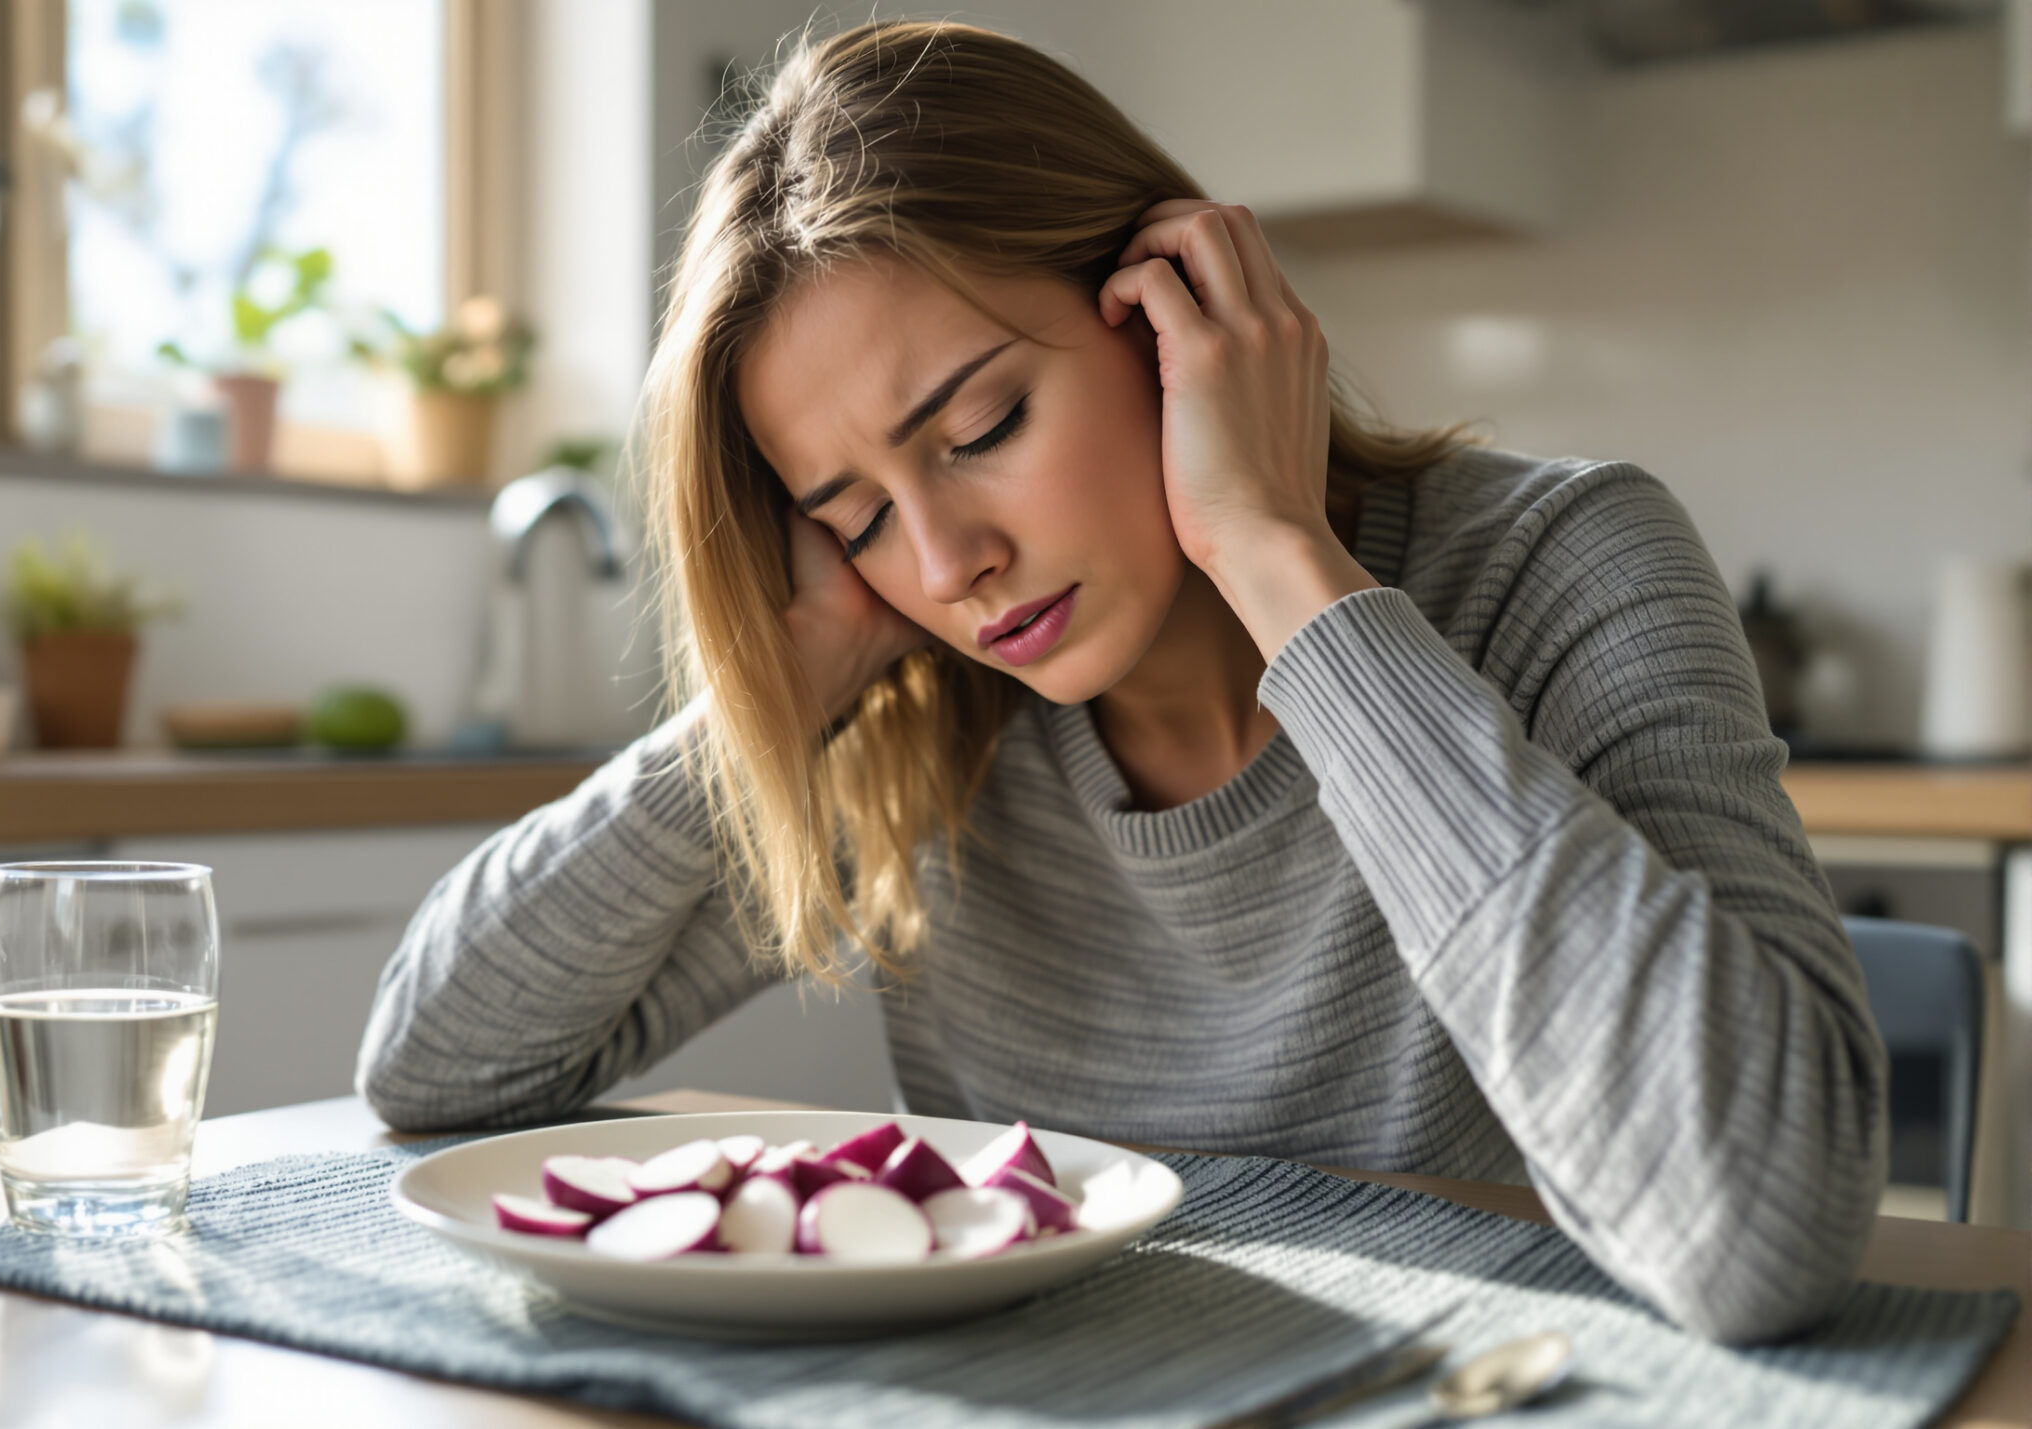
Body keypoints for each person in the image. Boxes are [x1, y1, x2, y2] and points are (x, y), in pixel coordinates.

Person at [356, 19, 1886, 1344]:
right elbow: (437, 1066)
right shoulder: (922, 717)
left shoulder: (1562, 562)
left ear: (1171, 317)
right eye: (859, 511)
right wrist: (802, 658)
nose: (949, 559)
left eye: (979, 426)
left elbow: (1759, 1231)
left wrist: (1282, 558)